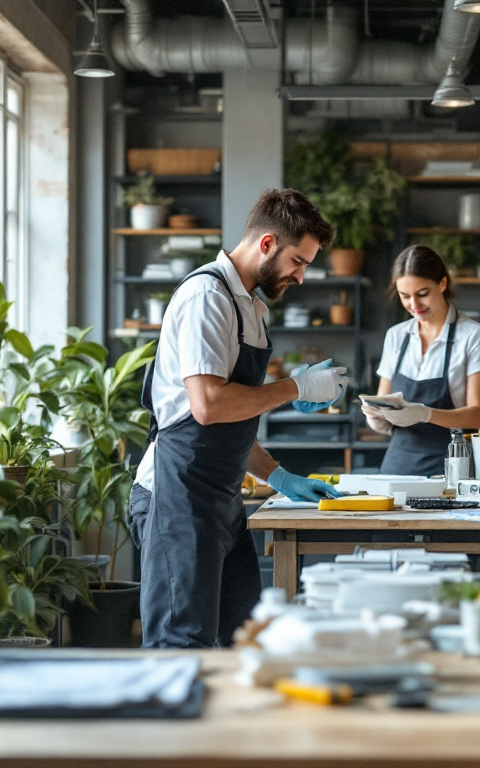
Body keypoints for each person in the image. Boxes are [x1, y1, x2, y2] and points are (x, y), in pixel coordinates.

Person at [128, 189, 349, 649]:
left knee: (242, 641)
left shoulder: (251, 307)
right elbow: (207, 406)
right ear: (267, 244)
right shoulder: (206, 297)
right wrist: (295, 388)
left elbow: (231, 416)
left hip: (220, 501)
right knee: (180, 648)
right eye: (298, 261)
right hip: (177, 497)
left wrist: (279, 476)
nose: (301, 277)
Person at [363, 245, 480, 476]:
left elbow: (476, 416)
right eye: (405, 296)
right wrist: (376, 418)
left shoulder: (474, 336)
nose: (414, 305)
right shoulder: (396, 336)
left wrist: (425, 414)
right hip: (397, 468)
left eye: (422, 293)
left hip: (450, 469)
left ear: (442, 284)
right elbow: (382, 402)